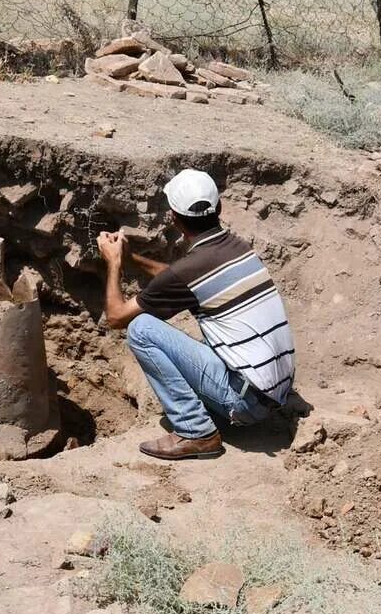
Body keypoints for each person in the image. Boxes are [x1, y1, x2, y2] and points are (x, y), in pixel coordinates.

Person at [98, 169, 296, 461]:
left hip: (247, 404)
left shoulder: (190, 270)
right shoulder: (238, 248)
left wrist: (113, 263)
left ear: (174, 220)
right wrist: (132, 259)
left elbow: (116, 317)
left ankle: (196, 431)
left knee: (140, 328)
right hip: (275, 391)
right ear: (219, 208)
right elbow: (178, 278)